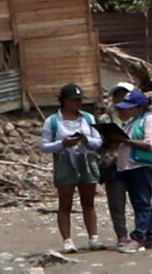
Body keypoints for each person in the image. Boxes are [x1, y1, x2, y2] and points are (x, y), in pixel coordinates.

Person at [39, 85, 105, 250]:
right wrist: (62, 143)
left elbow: (99, 141)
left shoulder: (88, 118)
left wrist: (86, 140)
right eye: (74, 100)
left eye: (80, 100)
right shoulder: (52, 121)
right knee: (65, 203)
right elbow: (44, 146)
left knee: (88, 202)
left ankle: (93, 238)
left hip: (86, 159)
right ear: (64, 101)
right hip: (64, 161)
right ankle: (67, 240)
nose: (77, 103)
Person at [108, 83, 152, 250]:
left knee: (142, 203)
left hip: (142, 166)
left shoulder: (150, 120)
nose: (124, 111)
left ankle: (138, 237)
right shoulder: (132, 122)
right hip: (129, 167)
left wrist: (125, 141)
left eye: (128, 108)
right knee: (142, 202)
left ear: (139, 107)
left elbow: (150, 144)